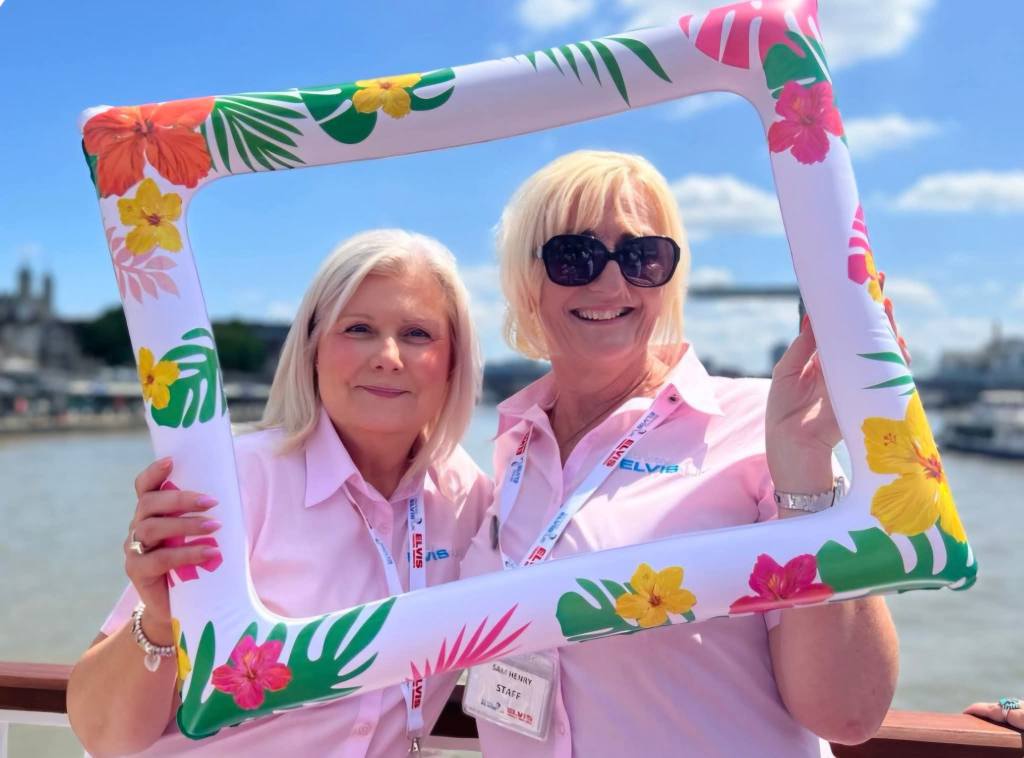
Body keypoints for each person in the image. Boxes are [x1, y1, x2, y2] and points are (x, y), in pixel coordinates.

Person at [459, 150, 900, 757]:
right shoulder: (514, 445)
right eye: (574, 256)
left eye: (643, 257)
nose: (611, 284)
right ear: (524, 279)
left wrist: (808, 472)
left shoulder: (761, 429)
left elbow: (848, 713)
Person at [67, 229, 493, 756]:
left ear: (454, 361)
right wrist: (158, 619)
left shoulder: (470, 499)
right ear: (313, 350)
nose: (388, 356)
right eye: (358, 328)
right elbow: (102, 735)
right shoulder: (232, 483)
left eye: (417, 334)